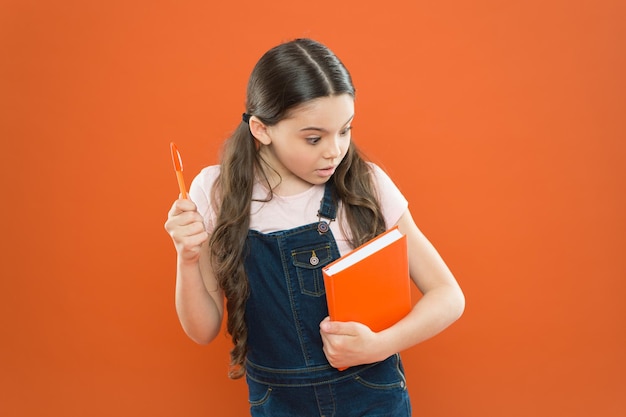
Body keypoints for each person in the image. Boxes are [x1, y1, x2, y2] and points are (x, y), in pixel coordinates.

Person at [164, 38, 465, 417]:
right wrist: (187, 257)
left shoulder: (364, 182)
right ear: (261, 129)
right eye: (313, 138)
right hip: (279, 404)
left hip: (371, 396)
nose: (334, 151)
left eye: (345, 130)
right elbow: (202, 329)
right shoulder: (215, 192)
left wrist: (379, 344)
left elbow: (449, 296)